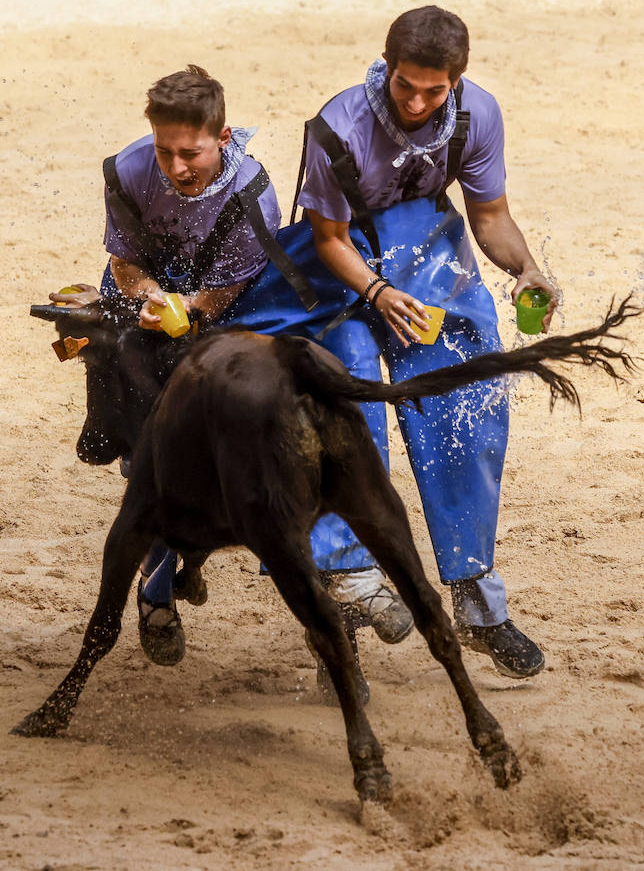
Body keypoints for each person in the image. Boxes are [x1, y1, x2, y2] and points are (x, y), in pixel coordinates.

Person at [240, 5, 558, 678]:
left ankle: (476, 598)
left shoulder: (479, 116)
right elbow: (326, 237)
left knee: (467, 403)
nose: (416, 101)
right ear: (385, 67)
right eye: (404, 84)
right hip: (341, 266)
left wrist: (524, 265)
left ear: (456, 82)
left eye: (432, 90)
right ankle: (346, 593)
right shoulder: (337, 127)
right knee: (348, 411)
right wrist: (376, 293)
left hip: (427, 251)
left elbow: (491, 216)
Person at [59, 65, 412, 666]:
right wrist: (151, 298)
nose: (176, 168)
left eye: (190, 153)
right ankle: (158, 593)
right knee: (149, 465)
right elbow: (123, 264)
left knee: (227, 464)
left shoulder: (253, 192)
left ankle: (186, 577)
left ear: (222, 140)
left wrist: (191, 309)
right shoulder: (127, 171)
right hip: (137, 315)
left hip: (222, 318)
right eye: (164, 151)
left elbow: (237, 285)